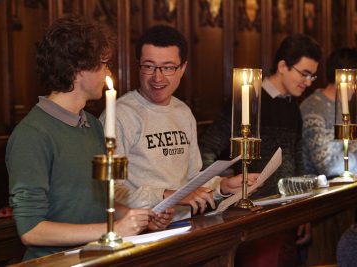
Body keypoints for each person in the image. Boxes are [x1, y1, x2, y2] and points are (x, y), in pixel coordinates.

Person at [6, 16, 173, 261]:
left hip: (95, 257)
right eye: (104, 63)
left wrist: (137, 217)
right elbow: (31, 231)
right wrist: (113, 230)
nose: (108, 72)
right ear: (78, 69)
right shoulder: (32, 134)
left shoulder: (92, 124)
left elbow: (97, 203)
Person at [100, 25, 258, 220]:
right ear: (138, 65)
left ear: (182, 68)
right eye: (149, 66)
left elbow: (192, 179)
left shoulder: (183, 112)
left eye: (168, 67)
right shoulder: (119, 115)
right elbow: (109, 190)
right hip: (140, 230)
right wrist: (167, 196)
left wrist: (222, 186)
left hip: (184, 225)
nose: (157, 77)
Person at [198, 34, 322, 267]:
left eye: (312, 76)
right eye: (304, 74)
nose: (308, 82)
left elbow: (296, 159)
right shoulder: (248, 99)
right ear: (283, 66)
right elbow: (206, 148)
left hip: (285, 214)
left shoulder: (292, 108)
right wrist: (217, 188)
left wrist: (303, 210)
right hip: (252, 219)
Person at [300, 47, 357, 177]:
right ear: (344, 78)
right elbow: (327, 167)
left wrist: (347, 159)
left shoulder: (342, 107)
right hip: (318, 192)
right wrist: (352, 159)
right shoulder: (314, 108)